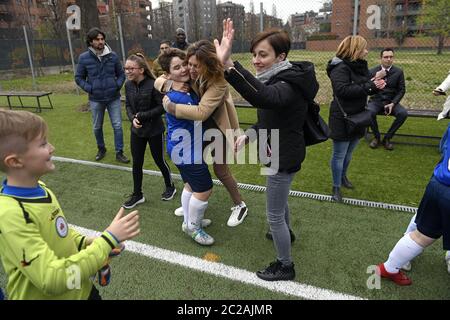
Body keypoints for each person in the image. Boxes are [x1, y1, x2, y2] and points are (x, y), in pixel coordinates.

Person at [215, 19, 319, 281]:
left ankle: (285, 265)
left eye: (263, 54)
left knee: (273, 214)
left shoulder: (287, 85)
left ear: (280, 56)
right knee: (279, 206)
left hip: (281, 157)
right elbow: (269, 119)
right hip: (280, 151)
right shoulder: (279, 77)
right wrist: (248, 137)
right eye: (254, 55)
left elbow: (263, 97)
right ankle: (285, 233)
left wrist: (229, 65)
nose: (256, 60)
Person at [0, 109, 140, 299]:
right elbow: (51, 280)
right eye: (42, 144)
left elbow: (61, 233)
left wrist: (89, 243)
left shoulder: (41, 188)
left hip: (82, 291)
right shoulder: (11, 214)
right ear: (15, 161)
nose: (52, 148)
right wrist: (107, 241)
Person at [156, 40, 248, 227]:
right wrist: (169, 85)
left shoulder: (219, 82)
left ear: (207, 65)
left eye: (195, 66)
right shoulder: (190, 74)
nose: (189, 69)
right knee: (192, 164)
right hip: (198, 130)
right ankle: (190, 202)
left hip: (217, 131)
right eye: (188, 64)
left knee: (220, 170)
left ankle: (240, 205)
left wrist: (171, 107)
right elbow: (159, 79)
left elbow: (201, 113)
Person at [376, 123, 450, 285]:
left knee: (421, 233)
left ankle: (390, 267)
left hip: (439, 182)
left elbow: (443, 146)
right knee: (422, 233)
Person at [158, 48, 214, 246]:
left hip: (181, 147)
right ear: (168, 73)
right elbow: (201, 112)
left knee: (190, 185)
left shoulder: (183, 88)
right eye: (177, 67)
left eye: (184, 64)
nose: (183, 69)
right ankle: (193, 227)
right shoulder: (179, 96)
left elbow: (160, 82)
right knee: (205, 187)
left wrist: (170, 83)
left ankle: (187, 221)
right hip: (186, 150)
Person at [326, 35, 386, 202]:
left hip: (359, 115)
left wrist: (376, 86)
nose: (366, 51)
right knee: (339, 154)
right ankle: (336, 187)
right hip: (342, 116)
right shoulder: (340, 68)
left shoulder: (360, 66)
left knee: (349, 152)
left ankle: (343, 177)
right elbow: (343, 91)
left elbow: (363, 87)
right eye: (364, 48)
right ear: (355, 50)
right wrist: (370, 86)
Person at [122, 53, 176, 209]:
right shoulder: (128, 85)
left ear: (141, 69)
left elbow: (162, 108)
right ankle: (137, 194)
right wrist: (133, 118)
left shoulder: (153, 84)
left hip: (154, 130)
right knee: (136, 163)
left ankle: (170, 186)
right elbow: (128, 106)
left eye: (131, 68)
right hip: (136, 131)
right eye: (126, 69)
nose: (128, 71)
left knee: (159, 160)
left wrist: (143, 116)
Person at [75, 27, 130, 164]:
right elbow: (79, 77)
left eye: (102, 39)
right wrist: (90, 88)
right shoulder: (84, 58)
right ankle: (101, 149)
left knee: (117, 125)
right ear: (91, 41)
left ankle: (119, 152)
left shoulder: (113, 56)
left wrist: (117, 85)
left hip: (113, 97)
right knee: (97, 127)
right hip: (96, 99)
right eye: (97, 39)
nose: (100, 41)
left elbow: (121, 74)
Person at [368, 48, 408, 151]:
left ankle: (387, 138)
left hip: (391, 102)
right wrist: (376, 80)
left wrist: (393, 103)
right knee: (369, 111)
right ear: (381, 58)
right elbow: (368, 90)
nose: (389, 59)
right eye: (386, 57)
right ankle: (377, 137)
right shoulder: (372, 71)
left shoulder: (398, 72)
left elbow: (402, 90)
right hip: (376, 101)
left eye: (391, 57)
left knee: (403, 113)